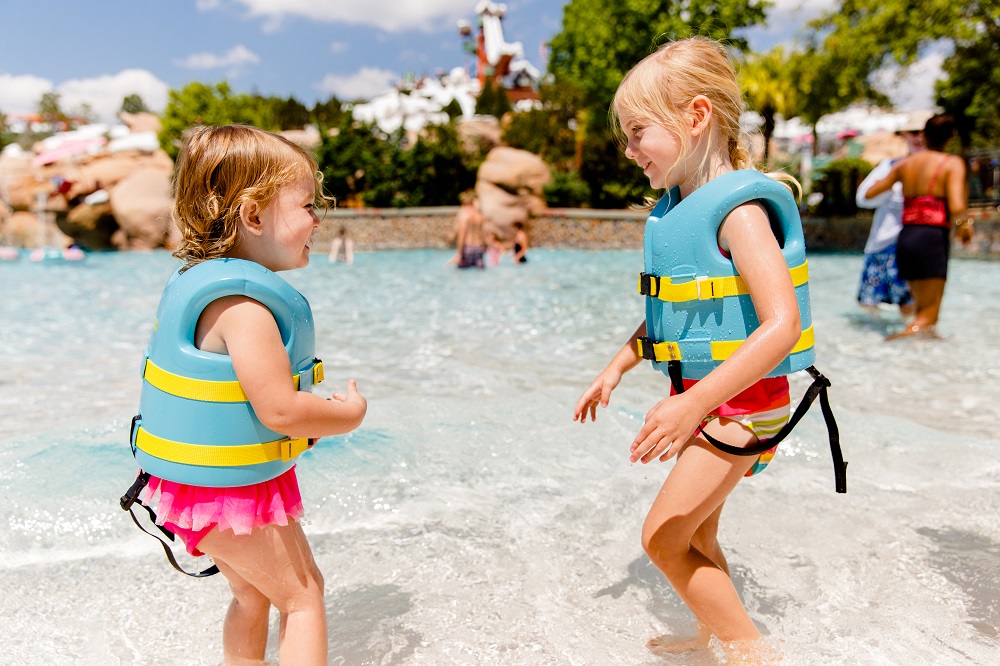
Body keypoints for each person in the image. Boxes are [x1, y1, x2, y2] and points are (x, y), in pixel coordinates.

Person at [573, 37, 838, 661]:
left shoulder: (740, 211)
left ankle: (752, 651)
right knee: (696, 534)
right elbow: (677, 316)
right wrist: (617, 365)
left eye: (638, 132)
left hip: (744, 405)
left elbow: (781, 324)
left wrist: (694, 408)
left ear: (695, 117)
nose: (630, 150)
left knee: (662, 540)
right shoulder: (680, 209)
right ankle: (708, 635)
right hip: (718, 400)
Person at [120, 124, 367, 665]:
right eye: (307, 204)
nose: (318, 219)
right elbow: (279, 409)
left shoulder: (210, 288)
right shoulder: (245, 310)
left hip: (199, 488)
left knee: (251, 594)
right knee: (304, 599)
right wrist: (346, 415)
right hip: (229, 493)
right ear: (253, 216)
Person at [865, 114, 970, 340]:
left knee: (921, 309)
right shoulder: (952, 163)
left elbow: (870, 192)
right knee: (927, 315)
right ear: (951, 136)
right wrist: (965, 226)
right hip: (932, 238)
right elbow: (958, 205)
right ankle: (895, 340)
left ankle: (924, 349)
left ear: (924, 135)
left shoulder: (905, 164)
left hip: (907, 239)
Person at [854, 118, 928, 318]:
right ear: (904, 135)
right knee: (868, 303)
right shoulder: (891, 165)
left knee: (909, 304)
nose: (919, 136)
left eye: (923, 131)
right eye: (914, 131)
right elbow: (862, 198)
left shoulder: (936, 168)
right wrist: (893, 181)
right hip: (882, 245)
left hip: (913, 246)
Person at [447, 189, 486, 269]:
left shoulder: (464, 214)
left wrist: (459, 254)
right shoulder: (479, 215)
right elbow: (484, 234)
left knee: (459, 274)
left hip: (468, 248)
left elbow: (462, 235)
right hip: (479, 248)